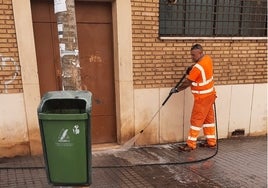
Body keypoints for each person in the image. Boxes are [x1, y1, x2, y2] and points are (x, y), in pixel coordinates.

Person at [171, 44, 217, 151]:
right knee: (208, 120)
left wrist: (177, 89)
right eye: (191, 55)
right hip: (210, 95)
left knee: (196, 121)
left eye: (194, 55)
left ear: (200, 53)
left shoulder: (197, 68)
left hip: (202, 98)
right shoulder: (207, 59)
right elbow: (200, 66)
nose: (192, 57)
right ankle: (211, 142)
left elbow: (188, 82)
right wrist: (192, 66)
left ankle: (191, 144)